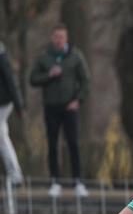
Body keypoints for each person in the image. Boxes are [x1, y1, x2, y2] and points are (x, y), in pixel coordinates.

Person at [29, 24, 91, 198]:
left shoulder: (75, 56)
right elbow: (33, 79)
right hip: (51, 107)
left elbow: (86, 81)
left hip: (69, 107)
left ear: (67, 38)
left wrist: (78, 100)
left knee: (73, 144)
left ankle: (78, 181)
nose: (59, 40)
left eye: (62, 37)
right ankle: (55, 181)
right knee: (52, 144)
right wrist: (49, 75)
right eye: (56, 37)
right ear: (52, 38)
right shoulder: (44, 57)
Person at [0, 40, 25, 185]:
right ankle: (15, 175)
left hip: (3, 102)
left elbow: (10, 79)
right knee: (2, 137)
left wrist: (18, 105)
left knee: (2, 138)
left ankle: (15, 175)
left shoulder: (1, 55)